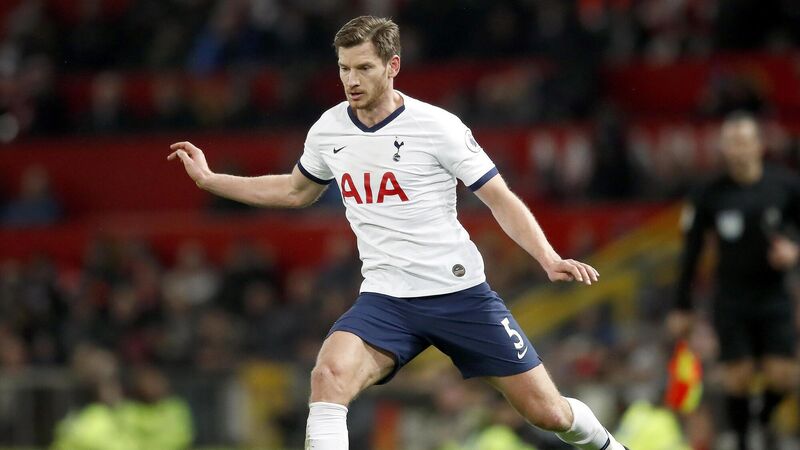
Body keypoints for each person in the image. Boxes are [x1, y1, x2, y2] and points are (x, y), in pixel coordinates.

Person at [168, 16, 628, 450]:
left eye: (364, 68)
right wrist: (212, 180)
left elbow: (499, 198)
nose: (351, 80)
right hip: (387, 299)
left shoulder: (437, 127)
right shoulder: (329, 129)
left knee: (550, 414)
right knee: (328, 375)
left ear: (393, 66)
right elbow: (295, 190)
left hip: (459, 296)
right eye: (344, 68)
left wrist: (548, 257)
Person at [669, 111, 800, 450]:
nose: (738, 149)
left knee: (784, 376)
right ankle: (743, 441)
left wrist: (794, 250)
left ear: (759, 145)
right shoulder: (709, 193)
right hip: (731, 297)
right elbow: (692, 251)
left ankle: (763, 421)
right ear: (724, 148)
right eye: (731, 142)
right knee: (737, 378)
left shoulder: (786, 185)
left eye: (744, 141)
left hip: (774, 295)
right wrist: (682, 305)